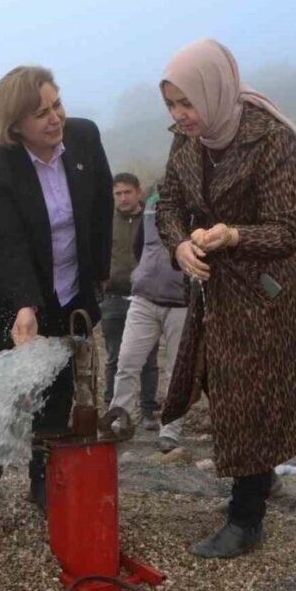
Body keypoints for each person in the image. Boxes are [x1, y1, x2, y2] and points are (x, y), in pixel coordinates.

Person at [156, 38, 296, 559]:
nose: (181, 115)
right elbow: (169, 203)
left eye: (187, 102)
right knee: (224, 386)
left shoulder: (268, 139)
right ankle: (260, 480)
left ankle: (245, 520)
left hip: (264, 296)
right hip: (215, 292)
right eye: (172, 105)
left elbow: (287, 230)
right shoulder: (186, 140)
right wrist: (180, 244)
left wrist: (232, 236)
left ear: (215, 90)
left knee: (247, 394)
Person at [0, 66, 113, 511]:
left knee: (60, 389)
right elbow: (6, 241)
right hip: (10, 296)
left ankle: (42, 477)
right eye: (40, 113)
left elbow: (102, 204)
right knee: (1, 390)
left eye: (57, 104)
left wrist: (99, 272)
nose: (55, 118)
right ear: (14, 127)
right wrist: (26, 305)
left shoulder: (84, 138)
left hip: (69, 292)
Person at [108, 178, 188, 453]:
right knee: (127, 361)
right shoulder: (152, 207)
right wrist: (143, 273)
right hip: (144, 297)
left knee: (177, 369)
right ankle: (119, 420)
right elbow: (140, 245)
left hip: (182, 301)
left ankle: (171, 428)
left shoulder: (200, 208)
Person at [100, 173, 160, 431]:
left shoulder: (152, 218)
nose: (123, 198)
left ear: (138, 192)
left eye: (127, 192)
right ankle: (113, 409)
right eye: (118, 193)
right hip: (113, 297)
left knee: (148, 357)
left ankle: (148, 411)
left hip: (146, 296)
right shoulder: (105, 221)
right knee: (115, 357)